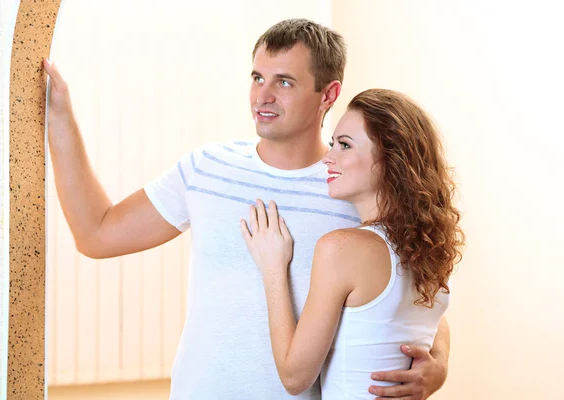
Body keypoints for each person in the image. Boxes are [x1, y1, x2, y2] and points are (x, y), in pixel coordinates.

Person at [43, 18, 451, 399]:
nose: (263, 96)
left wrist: (438, 365)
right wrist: (60, 117)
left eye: (284, 82)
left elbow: (412, 292)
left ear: (328, 94)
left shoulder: (351, 190)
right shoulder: (206, 168)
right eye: (257, 77)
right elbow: (96, 233)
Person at [241, 88, 464, 398]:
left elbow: (295, 377)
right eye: (333, 143)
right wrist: (438, 364)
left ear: (391, 158)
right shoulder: (428, 245)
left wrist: (273, 268)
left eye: (344, 145)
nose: (328, 158)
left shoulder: (341, 248)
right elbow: (433, 319)